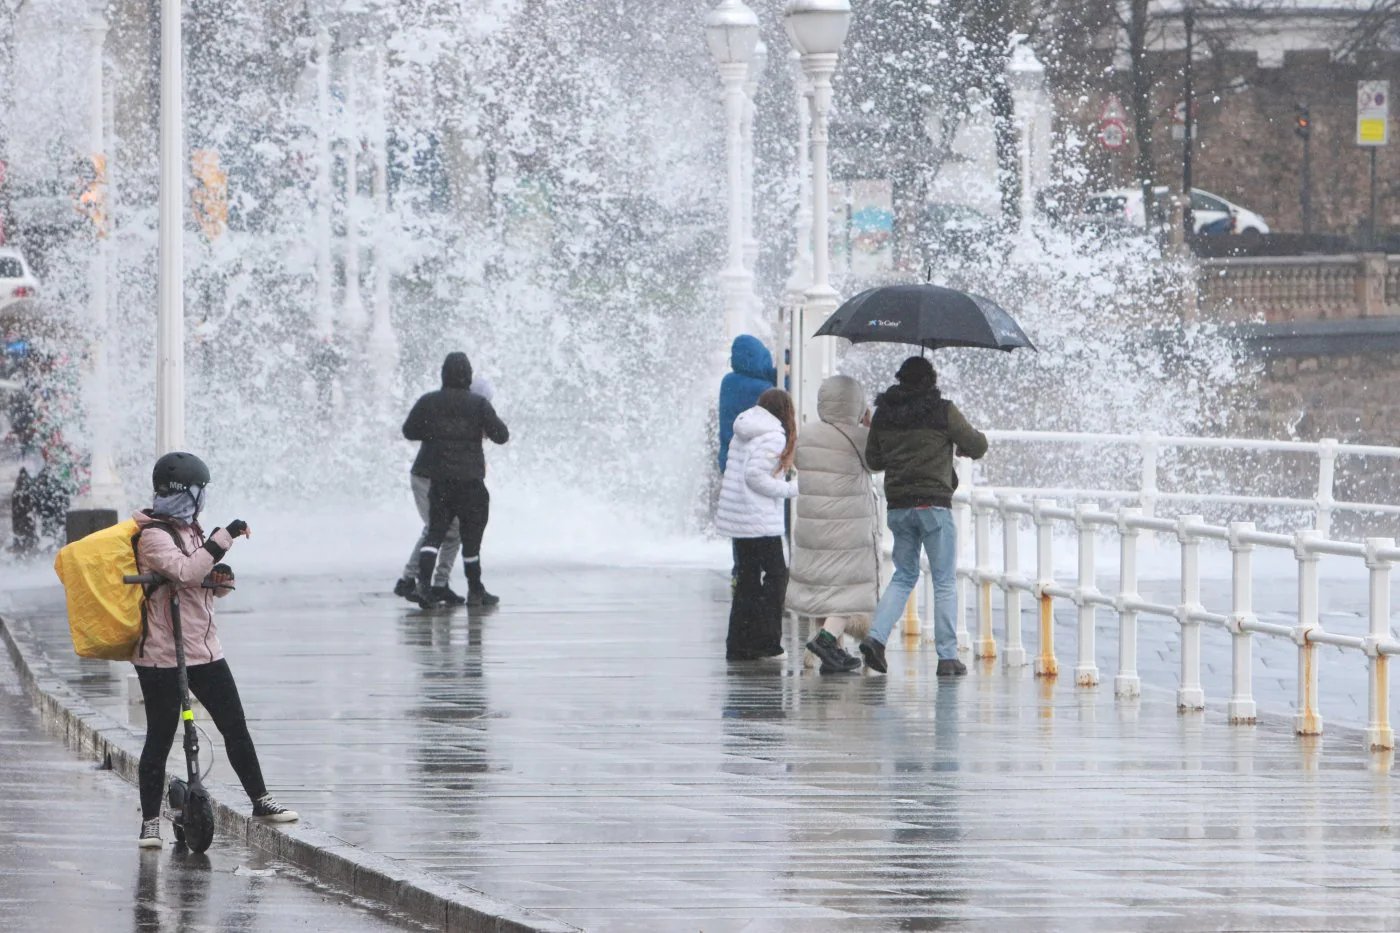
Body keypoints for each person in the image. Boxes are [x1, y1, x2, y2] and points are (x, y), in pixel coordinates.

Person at [132, 451, 298, 848]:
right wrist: (223, 540)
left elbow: (202, 578)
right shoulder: (154, 535)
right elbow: (187, 572)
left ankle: (261, 800)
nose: (201, 499)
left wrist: (221, 579)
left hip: (205, 650)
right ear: (184, 493)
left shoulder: (192, 530)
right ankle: (151, 822)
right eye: (198, 491)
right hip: (162, 654)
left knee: (234, 725)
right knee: (160, 735)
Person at [859, 356, 987, 676]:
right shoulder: (943, 411)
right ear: (931, 380)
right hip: (933, 506)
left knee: (903, 575)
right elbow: (977, 444)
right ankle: (946, 657)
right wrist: (957, 445)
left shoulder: (884, 414)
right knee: (943, 581)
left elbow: (873, 460)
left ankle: (875, 639)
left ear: (900, 379)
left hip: (900, 506)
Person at [785, 375, 880, 674]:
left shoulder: (808, 435)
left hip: (814, 526)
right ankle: (826, 640)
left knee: (827, 586)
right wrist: (870, 425)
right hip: (848, 528)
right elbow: (879, 461)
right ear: (856, 403)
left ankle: (833, 656)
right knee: (847, 590)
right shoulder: (860, 437)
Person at [403, 352, 509, 609]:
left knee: (435, 534)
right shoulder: (478, 404)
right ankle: (475, 591)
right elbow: (501, 435)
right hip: (470, 481)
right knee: (470, 538)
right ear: (468, 376)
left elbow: (409, 430)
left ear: (443, 374)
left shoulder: (429, 402)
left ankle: (424, 588)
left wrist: (435, 433)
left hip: (441, 482)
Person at [714, 388, 798, 660]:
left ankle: (738, 644)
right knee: (777, 576)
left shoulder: (746, 428)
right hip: (759, 520)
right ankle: (766, 643)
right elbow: (755, 477)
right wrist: (792, 488)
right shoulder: (773, 436)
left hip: (741, 519)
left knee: (748, 580)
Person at [718, 335, 777, 474]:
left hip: (729, 458)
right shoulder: (762, 389)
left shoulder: (728, 381)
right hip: (753, 462)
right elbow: (782, 395)